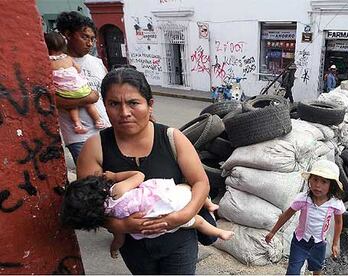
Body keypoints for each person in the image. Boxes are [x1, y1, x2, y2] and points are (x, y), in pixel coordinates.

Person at [76, 68, 210, 274]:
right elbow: (87, 202)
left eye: (133, 103)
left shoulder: (172, 138)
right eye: (113, 104)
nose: (124, 113)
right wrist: (121, 226)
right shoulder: (95, 147)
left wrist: (184, 215)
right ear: (105, 106)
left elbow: (201, 182)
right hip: (134, 247)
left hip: (179, 241)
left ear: (150, 104)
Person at [60, 172, 234, 259]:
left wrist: (114, 248)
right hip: (170, 197)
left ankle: (219, 233)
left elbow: (119, 239)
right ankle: (209, 203)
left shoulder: (113, 218)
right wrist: (116, 176)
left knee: (198, 222)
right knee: (191, 187)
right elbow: (139, 175)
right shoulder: (116, 191)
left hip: (162, 218)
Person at [265, 159, 345, 275]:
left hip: (319, 244)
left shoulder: (335, 203)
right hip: (299, 242)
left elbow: (338, 223)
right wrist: (273, 232)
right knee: (293, 271)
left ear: (331, 185)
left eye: (324, 182)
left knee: (317, 268)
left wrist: (335, 243)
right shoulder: (303, 199)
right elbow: (286, 215)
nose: (318, 185)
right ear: (309, 181)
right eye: (315, 180)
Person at [54, 11, 110, 163]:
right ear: (67, 35)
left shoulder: (97, 63)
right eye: (84, 37)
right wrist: (89, 98)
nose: (90, 43)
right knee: (91, 179)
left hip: (106, 129)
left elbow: (107, 95)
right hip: (79, 135)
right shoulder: (56, 64)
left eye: (92, 39)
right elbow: (55, 100)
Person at [45, 31, 105, 134]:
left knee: (72, 107)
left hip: (64, 92)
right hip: (79, 88)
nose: (90, 43)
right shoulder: (68, 59)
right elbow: (78, 69)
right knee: (90, 104)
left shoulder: (48, 63)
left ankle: (77, 124)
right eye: (84, 37)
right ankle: (98, 120)